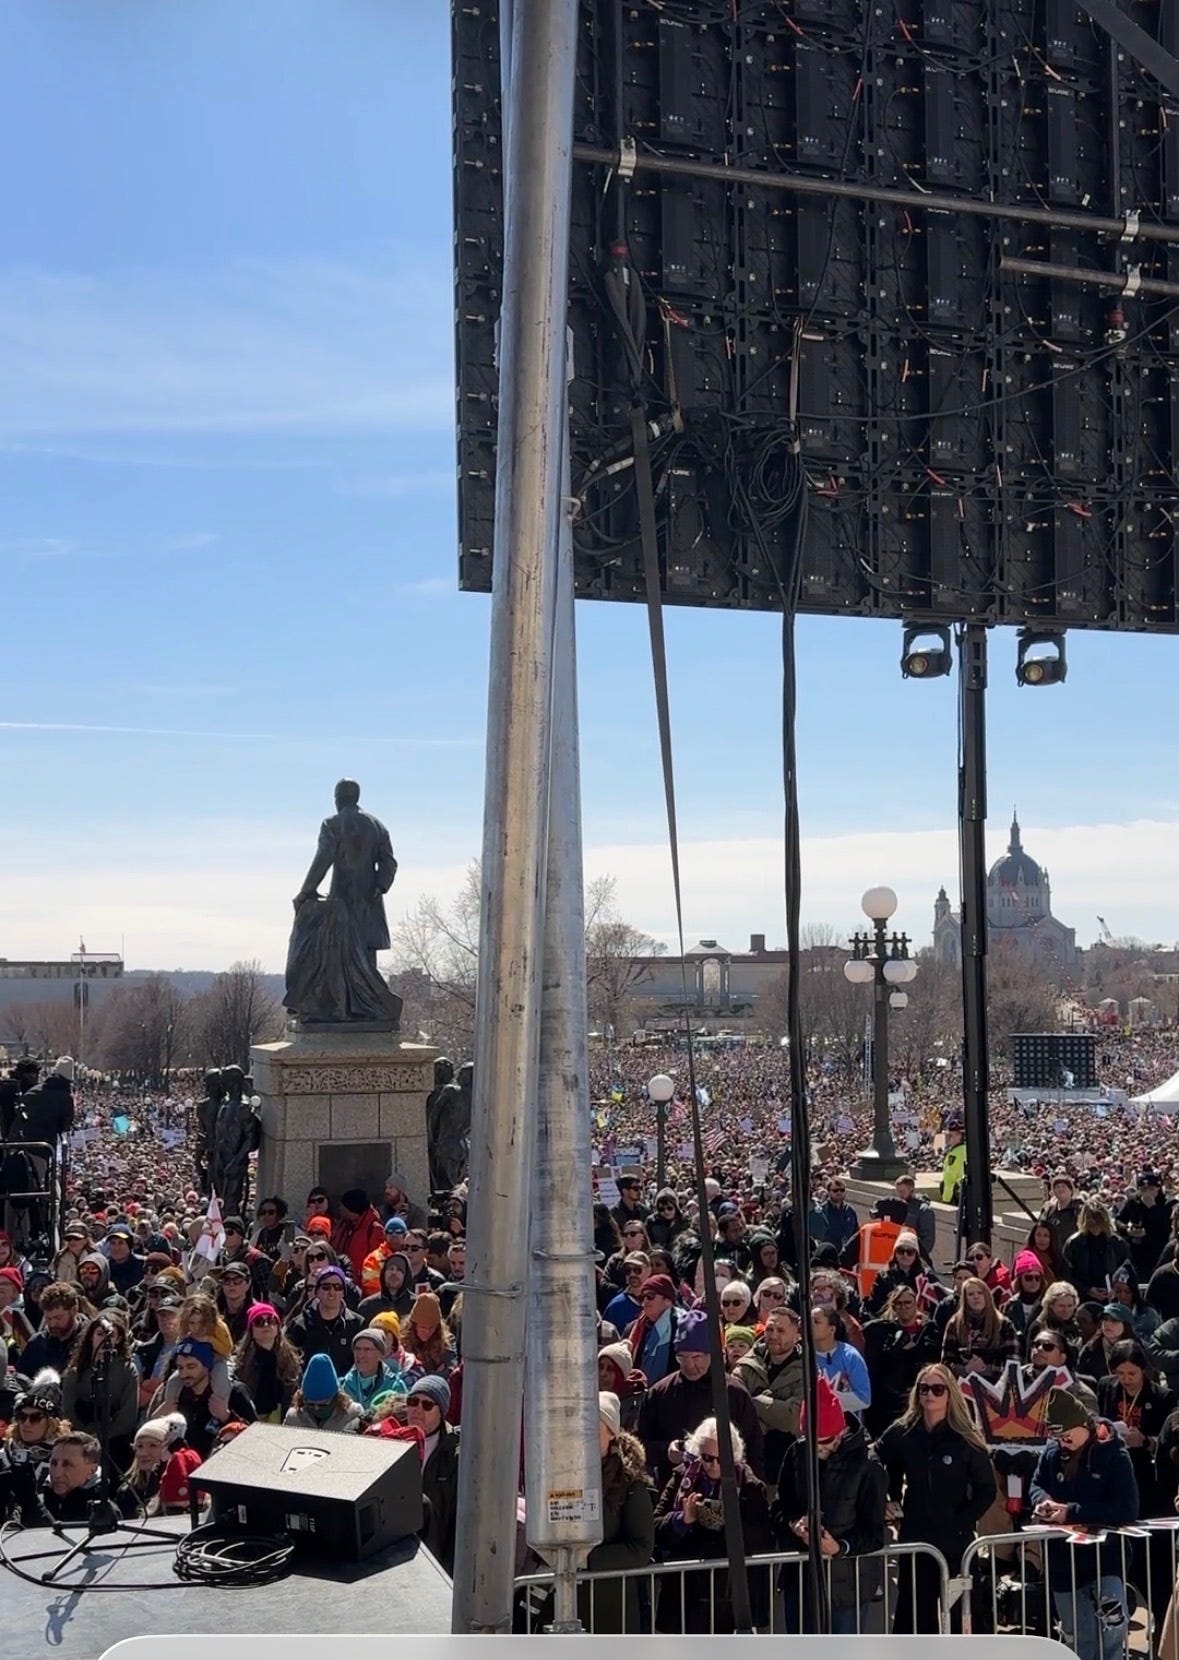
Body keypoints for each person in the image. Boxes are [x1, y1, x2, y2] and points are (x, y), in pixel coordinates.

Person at [874, 1363, 996, 1633]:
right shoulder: (903, 1431)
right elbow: (873, 1459)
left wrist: (961, 1522)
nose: (929, 1394)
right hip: (915, 1536)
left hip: (956, 1541)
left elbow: (987, 1490)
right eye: (924, 1388)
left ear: (950, 1394)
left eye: (938, 1389)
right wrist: (885, 1498)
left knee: (965, 1617)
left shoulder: (965, 1436)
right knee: (913, 1615)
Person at [1030, 1387, 1139, 1660]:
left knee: (1113, 1629)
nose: (1063, 1443)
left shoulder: (1113, 1454)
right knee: (1075, 1635)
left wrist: (1071, 1512)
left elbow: (1127, 1508)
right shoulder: (1052, 1453)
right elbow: (1036, 1484)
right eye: (1058, 1438)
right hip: (1063, 1562)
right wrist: (1043, 1501)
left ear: (1083, 1425)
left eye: (1067, 1436)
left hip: (1106, 1560)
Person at [774, 1376, 887, 1634]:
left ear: (841, 1432)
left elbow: (874, 1533)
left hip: (847, 1587)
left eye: (823, 1442)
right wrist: (794, 1524)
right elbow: (780, 1507)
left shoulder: (868, 1465)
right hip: (801, 1581)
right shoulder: (797, 1452)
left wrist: (839, 1547)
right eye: (810, 1440)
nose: (815, 1449)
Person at [652, 1416, 772, 1633]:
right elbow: (655, 1528)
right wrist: (683, 1519)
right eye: (707, 1458)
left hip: (731, 1602)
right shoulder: (682, 1477)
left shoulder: (750, 1487)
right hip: (684, 1600)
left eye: (722, 1458)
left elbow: (763, 1541)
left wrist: (728, 1522)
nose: (714, 1465)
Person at [637, 1307, 764, 1489]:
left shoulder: (733, 1393)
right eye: (682, 1357)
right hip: (673, 1492)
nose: (689, 1365)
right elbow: (639, 1444)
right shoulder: (660, 1393)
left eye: (697, 1357)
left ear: (711, 1354)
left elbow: (754, 1450)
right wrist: (666, 1451)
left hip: (725, 1493)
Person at [568, 1392, 655, 1633]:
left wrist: (586, 1560)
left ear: (611, 1433)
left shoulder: (630, 1484)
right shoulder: (563, 1475)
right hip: (565, 1602)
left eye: (592, 1429)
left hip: (611, 1606)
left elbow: (641, 1547)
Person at [732, 1305, 805, 1490]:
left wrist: (754, 1401)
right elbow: (734, 1407)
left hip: (788, 1466)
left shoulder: (807, 1371)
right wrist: (774, 1408)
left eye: (781, 1331)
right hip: (747, 1463)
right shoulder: (746, 1365)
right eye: (770, 1329)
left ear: (797, 1335)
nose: (773, 1335)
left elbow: (794, 1419)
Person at [61, 1312, 140, 1472]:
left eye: (110, 1336)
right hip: (80, 1438)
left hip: (115, 1442)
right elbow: (68, 1410)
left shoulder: (127, 1370)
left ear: (118, 1339)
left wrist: (105, 1435)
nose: (104, 1340)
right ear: (91, 1336)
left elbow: (128, 1415)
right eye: (99, 1334)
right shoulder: (75, 1371)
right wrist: (86, 1436)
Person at [862, 1284, 940, 1439]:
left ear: (915, 1303)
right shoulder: (881, 1331)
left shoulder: (930, 1331)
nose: (904, 1307)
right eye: (899, 1304)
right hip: (888, 1402)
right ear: (893, 1306)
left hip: (920, 1397)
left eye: (907, 1303)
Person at [405, 1376, 460, 1571]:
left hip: (436, 1555)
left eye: (427, 1405)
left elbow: (457, 1522)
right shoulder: (391, 1437)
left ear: (441, 1412)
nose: (417, 1409)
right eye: (412, 1401)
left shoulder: (455, 1454)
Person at [169, 1337, 256, 1458]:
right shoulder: (180, 1396)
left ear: (206, 1366)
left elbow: (256, 1436)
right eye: (180, 1368)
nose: (184, 1374)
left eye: (191, 1367)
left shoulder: (233, 1392)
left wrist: (226, 1416)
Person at [0, 1371, 68, 1521]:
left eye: (36, 1418)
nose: (26, 1423)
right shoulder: (3, 1455)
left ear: (52, 1423)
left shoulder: (66, 1459)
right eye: (21, 1417)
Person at [35, 1430, 137, 1525]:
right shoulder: (37, 1504)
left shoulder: (104, 1513)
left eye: (67, 1465)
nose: (57, 1473)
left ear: (92, 1470)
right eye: (53, 1463)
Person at [285, 1263, 364, 1375]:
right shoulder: (299, 1325)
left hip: (347, 1384)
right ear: (317, 1291)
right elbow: (290, 1363)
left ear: (343, 1292)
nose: (332, 1293)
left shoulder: (357, 1324)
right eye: (326, 1287)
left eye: (338, 1287)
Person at [940, 1277, 1019, 1382]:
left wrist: (986, 1369)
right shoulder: (954, 1324)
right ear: (964, 1299)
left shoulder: (1004, 1325)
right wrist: (966, 1369)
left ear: (987, 1296)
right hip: (962, 1384)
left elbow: (1013, 1364)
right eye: (971, 1294)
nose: (976, 1297)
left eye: (980, 1293)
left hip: (996, 1385)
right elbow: (945, 1363)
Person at [233, 1303, 302, 1422]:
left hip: (283, 1420)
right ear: (251, 1330)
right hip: (250, 1420)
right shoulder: (240, 1362)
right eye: (259, 1322)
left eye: (271, 1320)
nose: (266, 1325)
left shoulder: (290, 1360)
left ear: (278, 1327)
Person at [1063, 1200, 1129, 1302]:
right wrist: (1087, 1290)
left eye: (1099, 1223)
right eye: (1091, 1224)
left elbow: (1127, 1269)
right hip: (1083, 1299)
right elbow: (1066, 1275)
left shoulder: (1117, 1243)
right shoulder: (1073, 1244)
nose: (1095, 1227)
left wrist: (1117, 1289)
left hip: (1112, 1298)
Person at [811, 1305, 871, 1414]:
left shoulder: (850, 1356)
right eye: (809, 1321)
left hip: (845, 1422)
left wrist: (827, 1399)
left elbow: (864, 1399)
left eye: (816, 1321)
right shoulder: (803, 1356)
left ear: (832, 1329)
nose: (810, 1325)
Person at [627, 1273, 685, 1385]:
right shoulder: (634, 1328)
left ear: (668, 1300)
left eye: (650, 1296)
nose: (645, 1302)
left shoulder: (682, 1327)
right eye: (642, 1297)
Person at [284, 1353, 364, 1433]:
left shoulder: (353, 1414)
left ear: (336, 1397)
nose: (316, 1408)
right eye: (310, 1404)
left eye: (323, 1405)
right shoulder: (293, 1417)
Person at [1118, 1171, 1173, 1279]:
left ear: (1158, 1188)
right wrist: (1127, 1230)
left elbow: (1167, 1226)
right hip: (1138, 1250)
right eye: (1143, 1189)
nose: (1147, 1192)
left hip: (1159, 1250)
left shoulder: (1167, 1203)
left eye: (1151, 1189)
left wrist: (1152, 1208)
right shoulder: (1133, 1201)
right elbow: (1118, 1220)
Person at [340, 1326, 409, 1411]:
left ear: (380, 1354)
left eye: (367, 1349)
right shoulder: (343, 1386)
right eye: (357, 1349)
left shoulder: (395, 1386)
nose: (361, 1355)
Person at [333, 1188, 385, 1285]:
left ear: (350, 1208)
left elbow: (377, 1262)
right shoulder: (343, 1227)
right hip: (343, 1281)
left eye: (342, 1206)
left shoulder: (374, 1229)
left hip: (364, 1285)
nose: (339, 1208)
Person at [1039, 1175, 1082, 1264]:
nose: (1060, 1189)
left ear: (1071, 1190)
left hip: (1072, 1257)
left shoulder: (1078, 1209)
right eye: (1057, 1187)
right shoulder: (1049, 1210)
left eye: (1063, 1186)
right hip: (1052, 1256)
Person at [810, 1179, 859, 1254]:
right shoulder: (821, 1211)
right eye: (835, 1190)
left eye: (842, 1190)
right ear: (829, 1192)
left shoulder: (850, 1211)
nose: (839, 1192)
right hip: (827, 1253)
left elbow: (856, 1234)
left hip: (847, 1255)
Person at [894, 1174, 936, 1262]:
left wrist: (914, 1256)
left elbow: (928, 1241)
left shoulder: (924, 1211)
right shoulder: (897, 1208)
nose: (899, 1195)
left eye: (902, 1192)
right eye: (898, 1191)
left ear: (912, 1191)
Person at [939, 1116, 967, 1207]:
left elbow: (949, 1179)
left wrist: (946, 1201)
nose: (948, 1138)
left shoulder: (955, 1154)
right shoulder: (967, 1149)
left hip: (956, 1196)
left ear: (959, 1136)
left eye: (951, 1135)